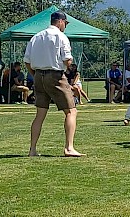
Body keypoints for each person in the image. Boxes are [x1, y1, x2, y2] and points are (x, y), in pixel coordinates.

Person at [24, 10, 85, 157]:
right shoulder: (61, 36)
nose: (65, 26)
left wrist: (35, 75)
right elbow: (67, 60)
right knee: (71, 111)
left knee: (40, 114)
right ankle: (69, 148)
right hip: (55, 75)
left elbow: (27, 61)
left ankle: (32, 150)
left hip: (38, 75)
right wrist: (67, 67)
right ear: (61, 21)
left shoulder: (36, 36)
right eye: (66, 23)